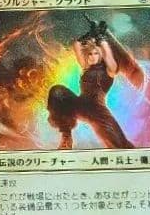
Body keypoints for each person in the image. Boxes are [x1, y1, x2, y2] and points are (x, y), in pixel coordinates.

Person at [47, 21, 134, 150]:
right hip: (80, 105)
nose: (93, 57)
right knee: (57, 91)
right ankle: (66, 136)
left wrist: (101, 38)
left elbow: (108, 56)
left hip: (98, 112)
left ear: (101, 55)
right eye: (90, 54)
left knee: (120, 145)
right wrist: (90, 33)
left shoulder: (110, 70)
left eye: (96, 53)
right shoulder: (86, 67)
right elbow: (76, 44)